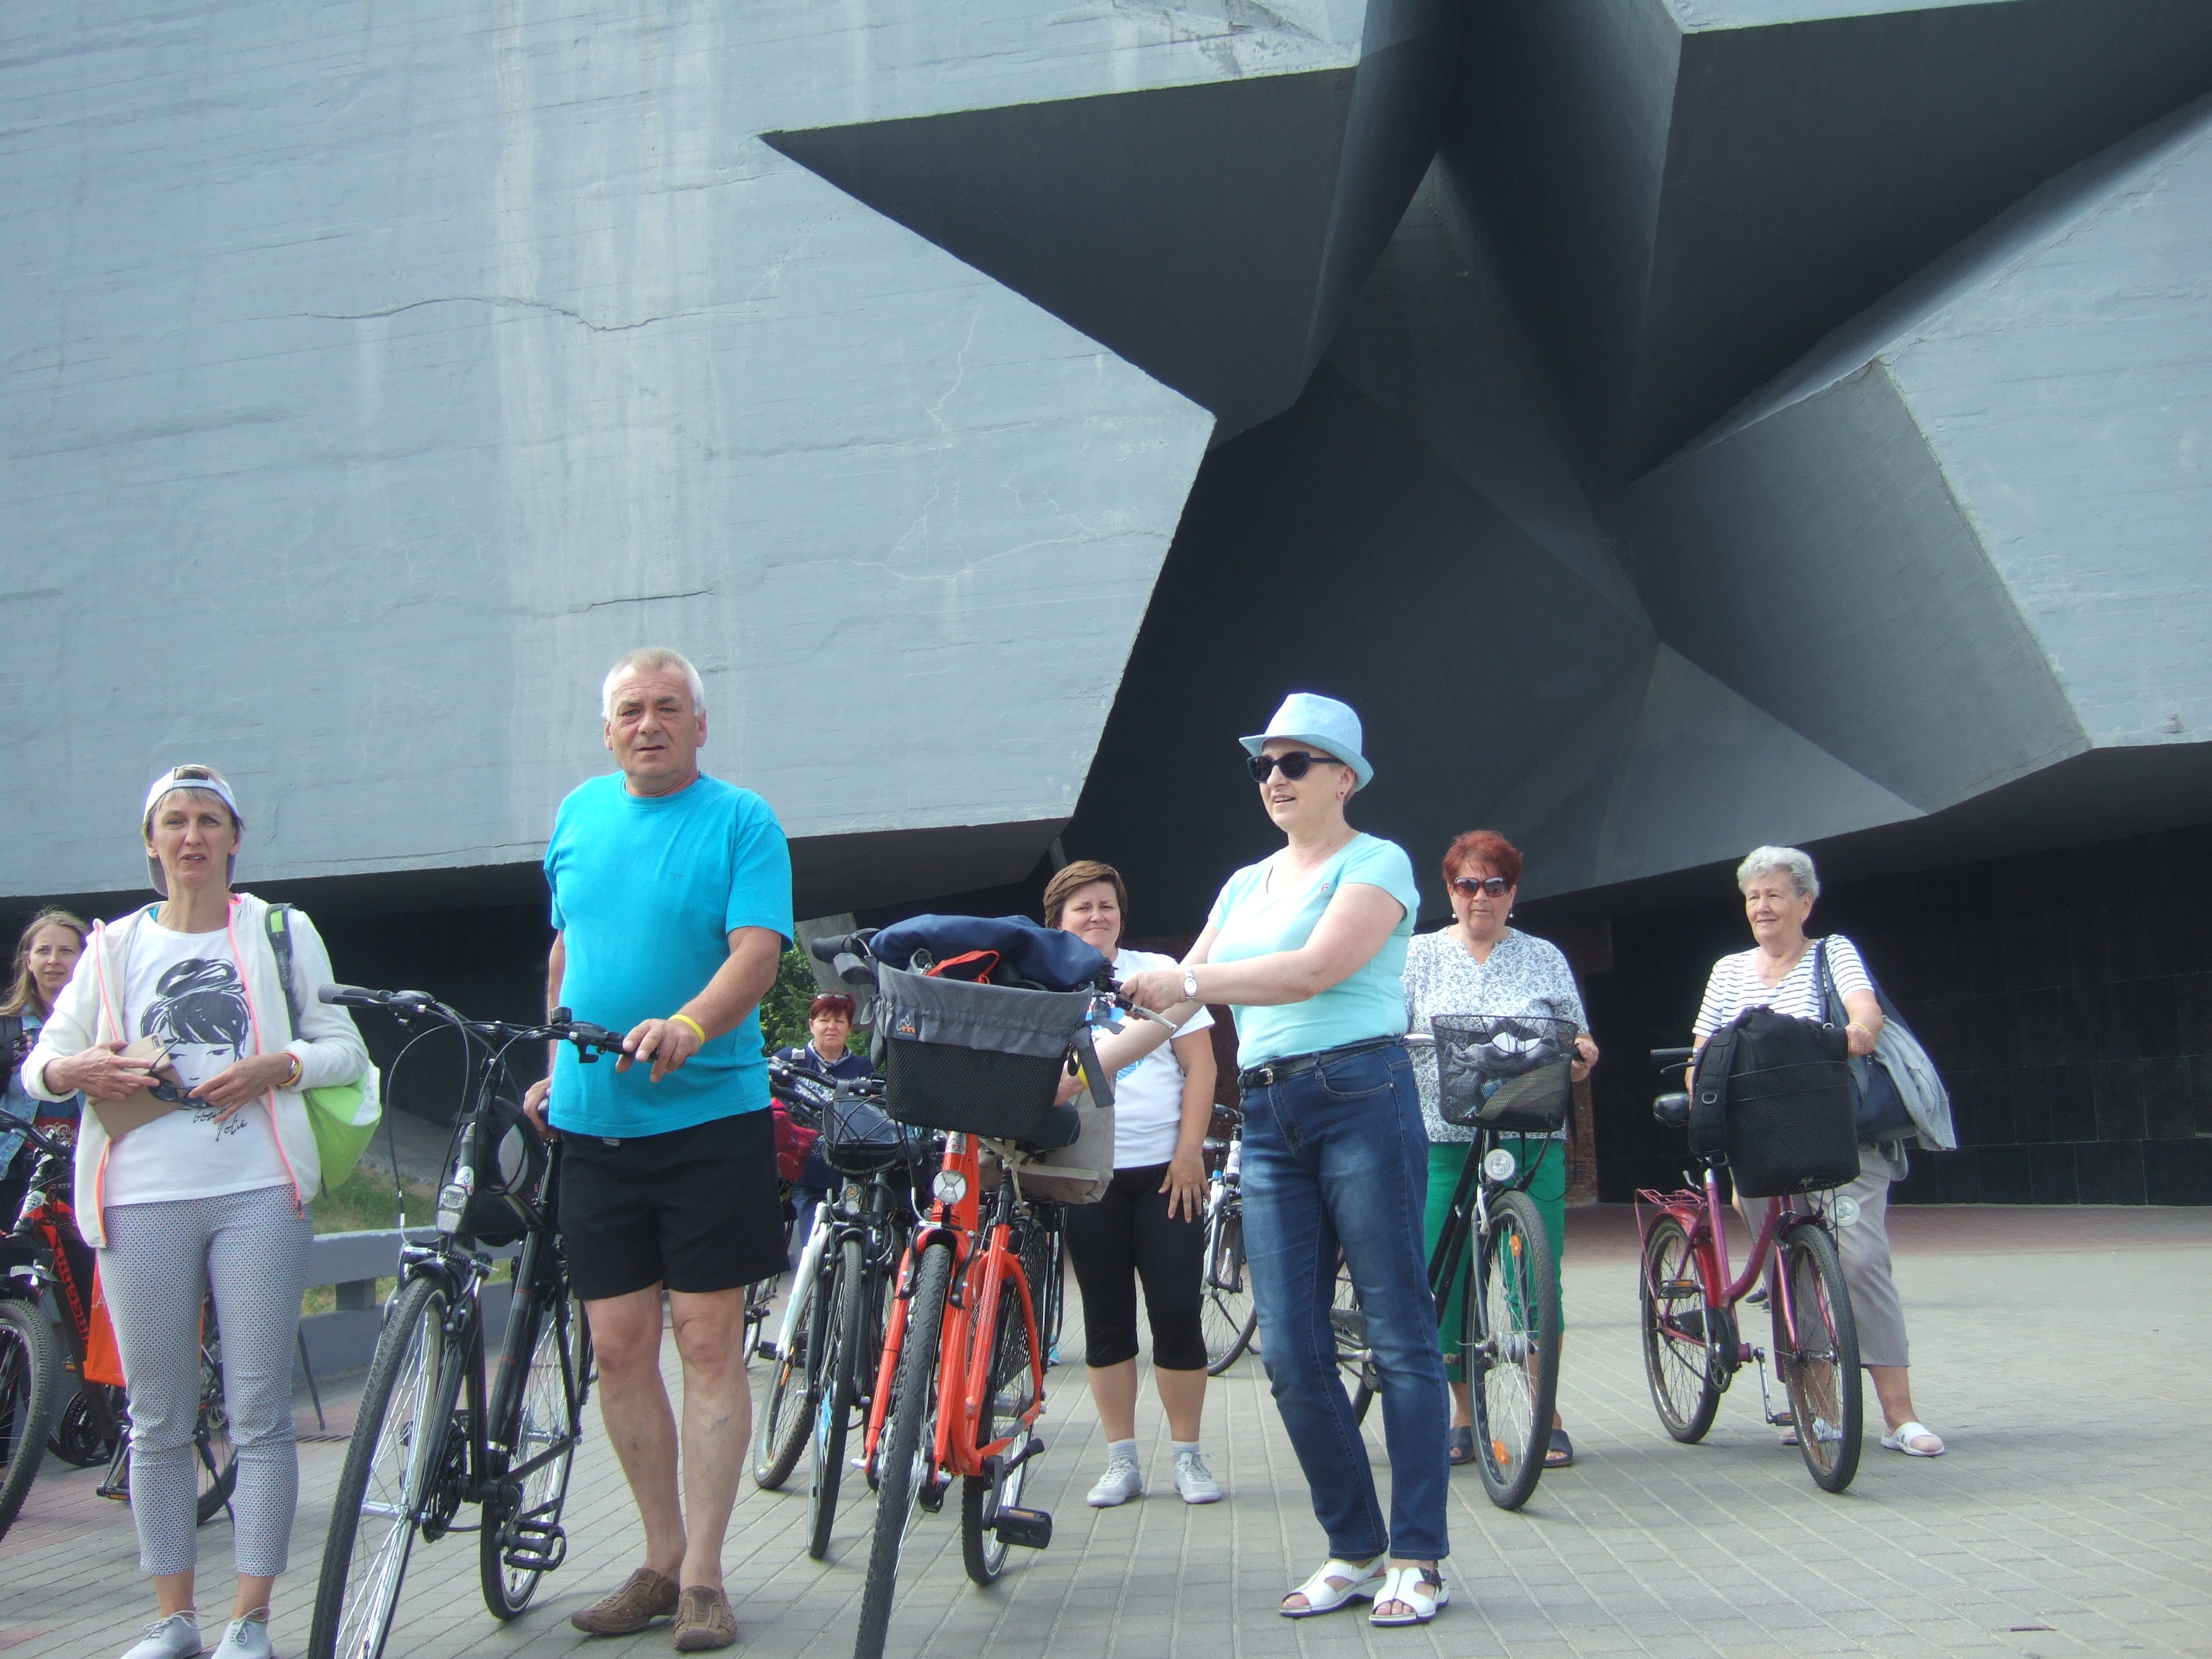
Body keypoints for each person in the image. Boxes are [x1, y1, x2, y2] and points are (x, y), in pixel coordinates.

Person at [23, 767, 371, 1659]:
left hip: (258, 1192)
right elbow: (42, 1064)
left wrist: (277, 1066)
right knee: (158, 1417)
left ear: (234, 838)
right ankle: (171, 1619)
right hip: (138, 1199)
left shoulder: (280, 931)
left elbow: (343, 1049)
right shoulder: (112, 948)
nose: (191, 837)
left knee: (258, 1411)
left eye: (208, 821)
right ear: (151, 841)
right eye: (174, 821)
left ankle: (249, 1621)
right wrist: (74, 1070)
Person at [1125, 693, 1449, 1627]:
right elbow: (1175, 1007)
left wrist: (1187, 978)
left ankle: (1418, 1557)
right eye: (1263, 764)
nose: (1273, 777)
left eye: (1294, 762)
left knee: (1398, 1333)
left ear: (1343, 778)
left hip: (1361, 1094)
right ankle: (1354, 1547)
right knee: (1291, 1355)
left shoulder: (1376, 861)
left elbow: (1313, 970)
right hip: (1267, 1113)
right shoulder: (1243, 883)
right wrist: (1078, 1080)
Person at [521, 647, 792, 1651]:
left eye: (668, 708)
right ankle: (659, 1557)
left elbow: (757, 956)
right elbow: (568, 950)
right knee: (616, 1346)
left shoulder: (743, 822)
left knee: (707, 1341)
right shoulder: (576, 816)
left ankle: (707, 1577)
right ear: (607, 731)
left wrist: (687, 1024)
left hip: (710, 1120)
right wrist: (553, 1057)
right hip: (596, 1125)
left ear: (699, 726)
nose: (649, 724)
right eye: (631, 710)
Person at [1689, 845, 1944, 1459]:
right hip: (1759, 1143)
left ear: (1805, 903)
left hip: (1839, 1136)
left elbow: (1865, 1013)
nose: (1762, 906)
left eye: (1774, 895)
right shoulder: (1728, 971)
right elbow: (1700, 1053)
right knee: (1787, 1271)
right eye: (1753, 897)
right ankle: (1817, 1410)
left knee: (1862, 1261)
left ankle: (1900, 1416)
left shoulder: (1833, 953)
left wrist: (1857, 1033)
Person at [1402, 831, 1597, 1472]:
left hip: (1529, 1136)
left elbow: (1577, 1039)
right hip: (1445, 1139)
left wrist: (1582, 1055)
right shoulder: (1419, 955)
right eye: (1466, 884)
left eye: (1494, 885)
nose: (1479, 897)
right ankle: (1463, 1413)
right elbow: (1387, 1028)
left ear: (1513, 893)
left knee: (1536, 1278)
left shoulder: (1543, 957)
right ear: (1449, 891)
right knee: (1448, 1278)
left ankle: (1547, 1413)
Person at [1042, 859, 1223, 1508]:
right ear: (1058, 919)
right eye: (1083, 907)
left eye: (1107, 905)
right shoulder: (1042, 982)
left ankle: (1188, 1456)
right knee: (1106, 1317)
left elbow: (1201, 1068)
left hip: (1166, 1176)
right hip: (1086, 1176)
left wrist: (1189, 1154)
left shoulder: (1159, 973)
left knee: (1176, 1311)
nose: (1097, 916)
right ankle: (1121, 1461)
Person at [2, 907, 89, 1226]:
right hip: (14, 1172)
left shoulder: (108, 1025)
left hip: (85, 1171)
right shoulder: (5, 1026)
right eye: (43, 951)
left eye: (66, 951)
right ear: (28, 961)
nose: (53, 960)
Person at [774, 991, 873, 1257]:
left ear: (849, 1028)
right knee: (814, 1252)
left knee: (863, 1249)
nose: (831, 1027)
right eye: (824, 1020)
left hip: (851, 1173)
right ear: (811, 1025)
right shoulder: (790, 1060)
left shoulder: (864, 1068)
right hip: (806, 1174)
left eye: (840, 1021)